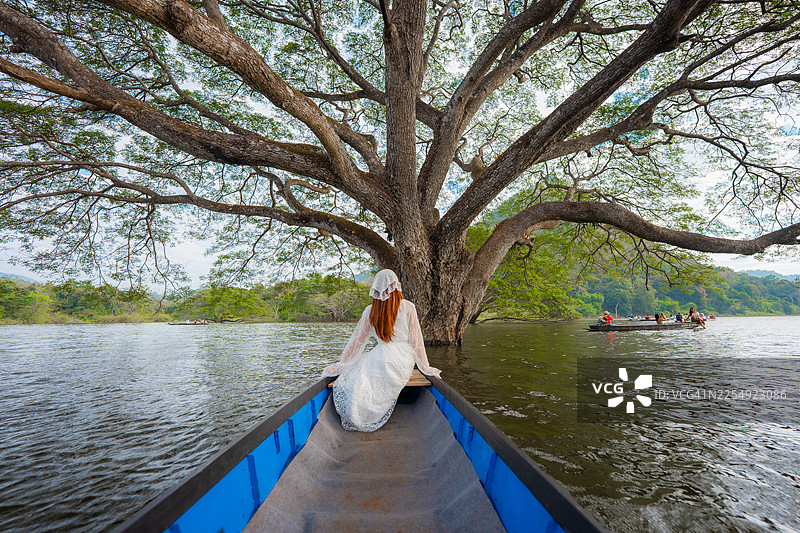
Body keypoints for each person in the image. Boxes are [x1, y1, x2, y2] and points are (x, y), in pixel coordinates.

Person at [322, 269, 441, 432]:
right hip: (403, 358)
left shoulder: (370, 310)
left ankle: (358, 411)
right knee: (371, 376)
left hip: (380, 354)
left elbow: (357, 343)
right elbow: (416, 341)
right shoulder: (408, 307)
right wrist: (424, 366)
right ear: (395, 286)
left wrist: (342, 364)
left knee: (361, 377)